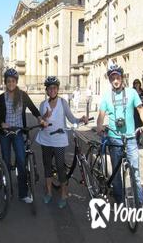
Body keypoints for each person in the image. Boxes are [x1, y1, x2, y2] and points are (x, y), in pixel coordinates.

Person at [96, 62, 143, 206]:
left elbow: (141, 110)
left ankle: (138, 202)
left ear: (122, 78)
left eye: (117, 77)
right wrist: (99, 126)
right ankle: (120, 200)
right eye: (112, 78)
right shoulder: (107, 96)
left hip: (131, 138)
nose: (115, 80)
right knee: (116, 172)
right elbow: (101, 116)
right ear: (110, 80)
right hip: (114, 139)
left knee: (135, 172)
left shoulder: (132, 93)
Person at [36, 76, 88, 209]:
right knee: (47, 166)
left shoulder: (63, 103)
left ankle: (64, 194)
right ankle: (48, 192)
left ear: (57, 89)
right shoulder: (43, 105)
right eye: (50, 88)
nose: (52, 90)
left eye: (54, 88)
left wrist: (81, 119)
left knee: (60, 167)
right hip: (45, 139)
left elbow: (71, 118)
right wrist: (44, 118)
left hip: (59, 140)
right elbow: (41, 124)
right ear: (47, 90)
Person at [0, 68, 47, 204]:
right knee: (6, 162)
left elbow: (33, 108)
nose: (11, 83)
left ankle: (23, 193)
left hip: (18, 132)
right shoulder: (1, 97)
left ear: (16, 82)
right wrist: (2, 124)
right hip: (5, 134)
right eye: (8, 81)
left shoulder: (22, 95)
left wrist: (40, 119)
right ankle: (8, 190)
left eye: (13, 81)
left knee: (21, 161)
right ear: (5, 83)